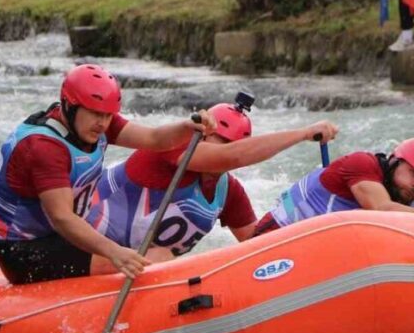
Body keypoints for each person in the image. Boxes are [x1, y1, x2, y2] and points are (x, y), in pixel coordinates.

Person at [0, 64, 216, 285]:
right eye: (96, 114)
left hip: (58, 236)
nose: (102, 123)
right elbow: (62, 218)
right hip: (22, 250)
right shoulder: (45, 147)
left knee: (159, 254)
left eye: (108, 115)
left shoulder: (94, 122)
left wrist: (186, 128)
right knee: (154, 259)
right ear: (69, 105)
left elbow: (153, 139)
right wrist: (114, 253)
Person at [87, 93, 339, 257]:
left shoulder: (228, 191)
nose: (223, 151)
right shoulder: (173, 147)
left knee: (160, 257)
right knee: (160, 256)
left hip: (133, 267)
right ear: (203, 135)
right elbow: (233, 156)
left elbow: (257, 244)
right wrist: (303, 133)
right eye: (222, 142)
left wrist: (312, 232)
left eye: (232, 143)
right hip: (87, 247)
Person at [253, 138, 414, 235]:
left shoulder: (407, 208)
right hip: (269, 237)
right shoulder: (362, 164)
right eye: (413, 172)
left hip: (304, 250)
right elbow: (381, 210)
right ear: (395, 162)